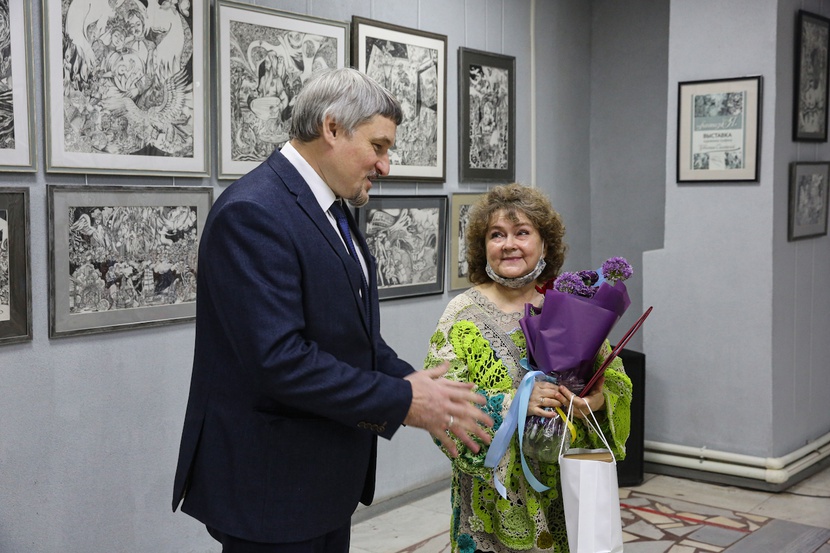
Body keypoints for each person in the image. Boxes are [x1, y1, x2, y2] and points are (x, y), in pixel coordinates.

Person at [172, 67, 493, 552]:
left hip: (320, 482)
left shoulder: (330, 205)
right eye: (378, 146)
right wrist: (402, 400)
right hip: (272, 489)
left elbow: (351, 335)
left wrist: (414, 383)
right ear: (332, 128)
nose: (385, 166)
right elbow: (280, 360)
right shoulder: (252, 212)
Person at [423, 183, 633, 553]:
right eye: (496, 235)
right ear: (483, 247)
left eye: (522, 232)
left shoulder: (568, 306)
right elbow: (438, 402)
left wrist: (594, 402)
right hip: (492, 502)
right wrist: (516, 404)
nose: (509, 245)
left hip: (563, 492)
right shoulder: (462, 315)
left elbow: (614, 379)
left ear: (545, 245)